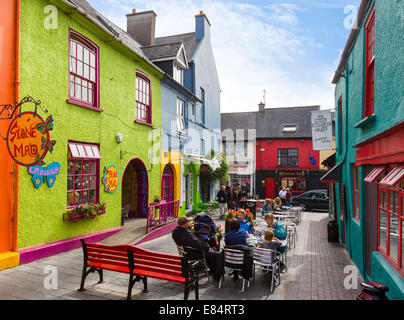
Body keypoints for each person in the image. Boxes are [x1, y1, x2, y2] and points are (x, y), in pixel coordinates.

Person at [172, 216, 224, 281]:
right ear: (185, 224)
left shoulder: (176, 232)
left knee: (209, 253)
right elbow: (197, 243)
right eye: (188, 222)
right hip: (192, 254)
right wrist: (207, 246)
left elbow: (194, 242)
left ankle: (212, 270)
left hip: (185, 252)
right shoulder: (186, 234)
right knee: (216, 255)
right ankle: (217, 274)